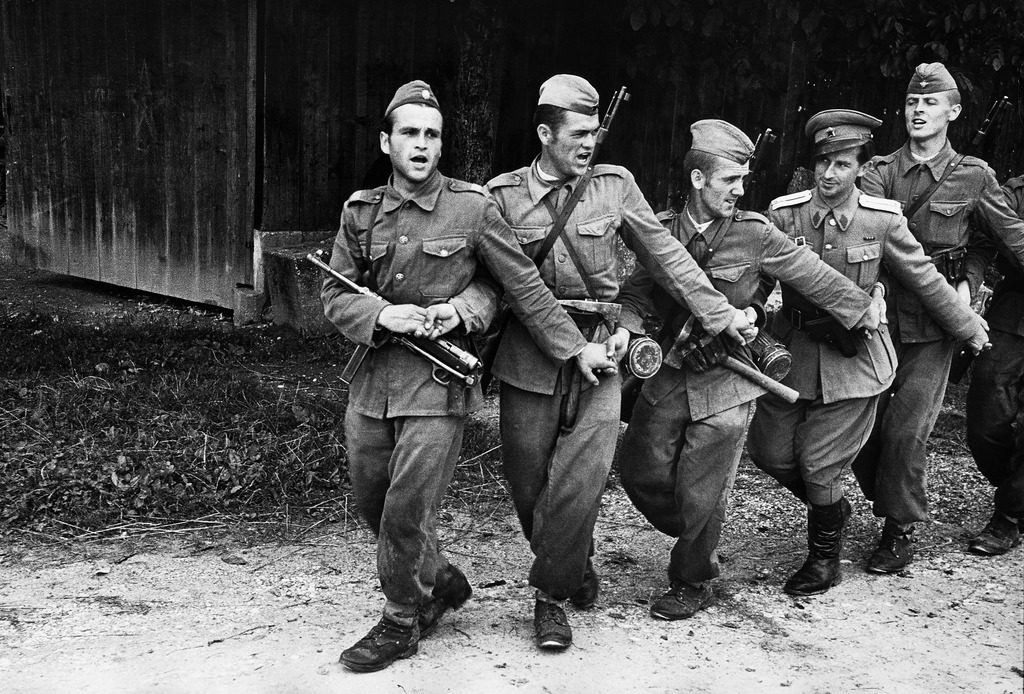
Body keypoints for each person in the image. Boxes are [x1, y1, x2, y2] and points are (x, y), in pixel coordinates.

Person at [321, 80, 615, 673]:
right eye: (410, 133)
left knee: (406, 509)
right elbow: (333, 292)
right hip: (373, 379)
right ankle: (439, 581)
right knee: (372, 501)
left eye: (432, 134)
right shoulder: (360, 211)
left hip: (438, 384)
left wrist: (567, 346)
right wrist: (380, 313)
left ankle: (402, 618)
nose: (422, 145)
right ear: (387, 142)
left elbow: (517, 283)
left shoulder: (473, 208)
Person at [485, 74, 753, 650]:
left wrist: (717, 312)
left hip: (604, 351)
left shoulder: (614, 185)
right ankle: (572, 562)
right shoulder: (501, 198)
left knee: (581, 478)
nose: (590, 144)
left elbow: (666, 255)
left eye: (594, 133)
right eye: (578, 133)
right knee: (529, 484)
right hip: (529, 352)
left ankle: (550, 597)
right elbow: (511, 285)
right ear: (543, 133)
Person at [616, 119, 880, 619]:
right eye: (729, 180)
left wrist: (861, 306)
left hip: (730, 377)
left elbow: (813, 276)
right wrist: (630, 329)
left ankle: (694, 575)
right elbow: (636, 293)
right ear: (698, 181)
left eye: (743, 180)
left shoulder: (755, 233)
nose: (740, 190)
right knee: (641, 473)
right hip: (671, 372)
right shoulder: (662, 229)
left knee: (704, 487)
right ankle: (698, 530)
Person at [747, 108, 989, 596]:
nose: (829, 174)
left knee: (820, 462)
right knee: (769, 451)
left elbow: (924, 279)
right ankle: (832, 506)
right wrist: (750, 312)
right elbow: (755, 279)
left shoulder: (881, 222)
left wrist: (969, 328)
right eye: (822, 162)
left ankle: (824, 559)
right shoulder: (784, 214)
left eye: (841, 163)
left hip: (856, 361)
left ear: (861, 167)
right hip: (794, 354)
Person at [852, 63, 1024, 574]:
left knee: (908, 431)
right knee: (864, 427)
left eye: (930, 103)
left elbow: (1007, 240)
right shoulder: (877, 171)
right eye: (911, 102)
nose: (918, 110)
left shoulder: (975, 175)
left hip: (934, 324)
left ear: (953, 111)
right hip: (878, 319)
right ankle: (885, 498)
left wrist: (970, 276)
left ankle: (898, 529)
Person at [965, 175, 1024, 555]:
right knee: (986, 415)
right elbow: (988, 225)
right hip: (1015, 310)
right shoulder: (1016, 192)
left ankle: (1009, 515)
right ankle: (1015, 489)